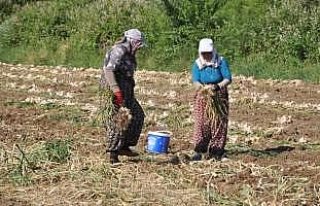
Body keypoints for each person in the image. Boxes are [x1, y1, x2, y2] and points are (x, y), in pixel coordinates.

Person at [100, 29, 146, 163]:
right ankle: (112, 153)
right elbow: (109, 70)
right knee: (120, 119)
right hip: (114, 88)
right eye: (139, 43)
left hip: (126, 88)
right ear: (132, 41)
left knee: (137, 115)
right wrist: (116, 91)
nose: (139, 47)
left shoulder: (130, 54)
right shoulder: (119, 50)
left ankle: (124, 146)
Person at [190, 38, 232, 161]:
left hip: (219, 94)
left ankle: (216, 151)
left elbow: (227, 78)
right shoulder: (198, 64)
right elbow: (195, 80)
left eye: (209, 53)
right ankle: (199, 149)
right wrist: (203, 89)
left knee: (218, 122)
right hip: (203, 95)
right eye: (204, 53)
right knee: (202, 122)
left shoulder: (221, 61)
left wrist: (217, 87)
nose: (206, 56)